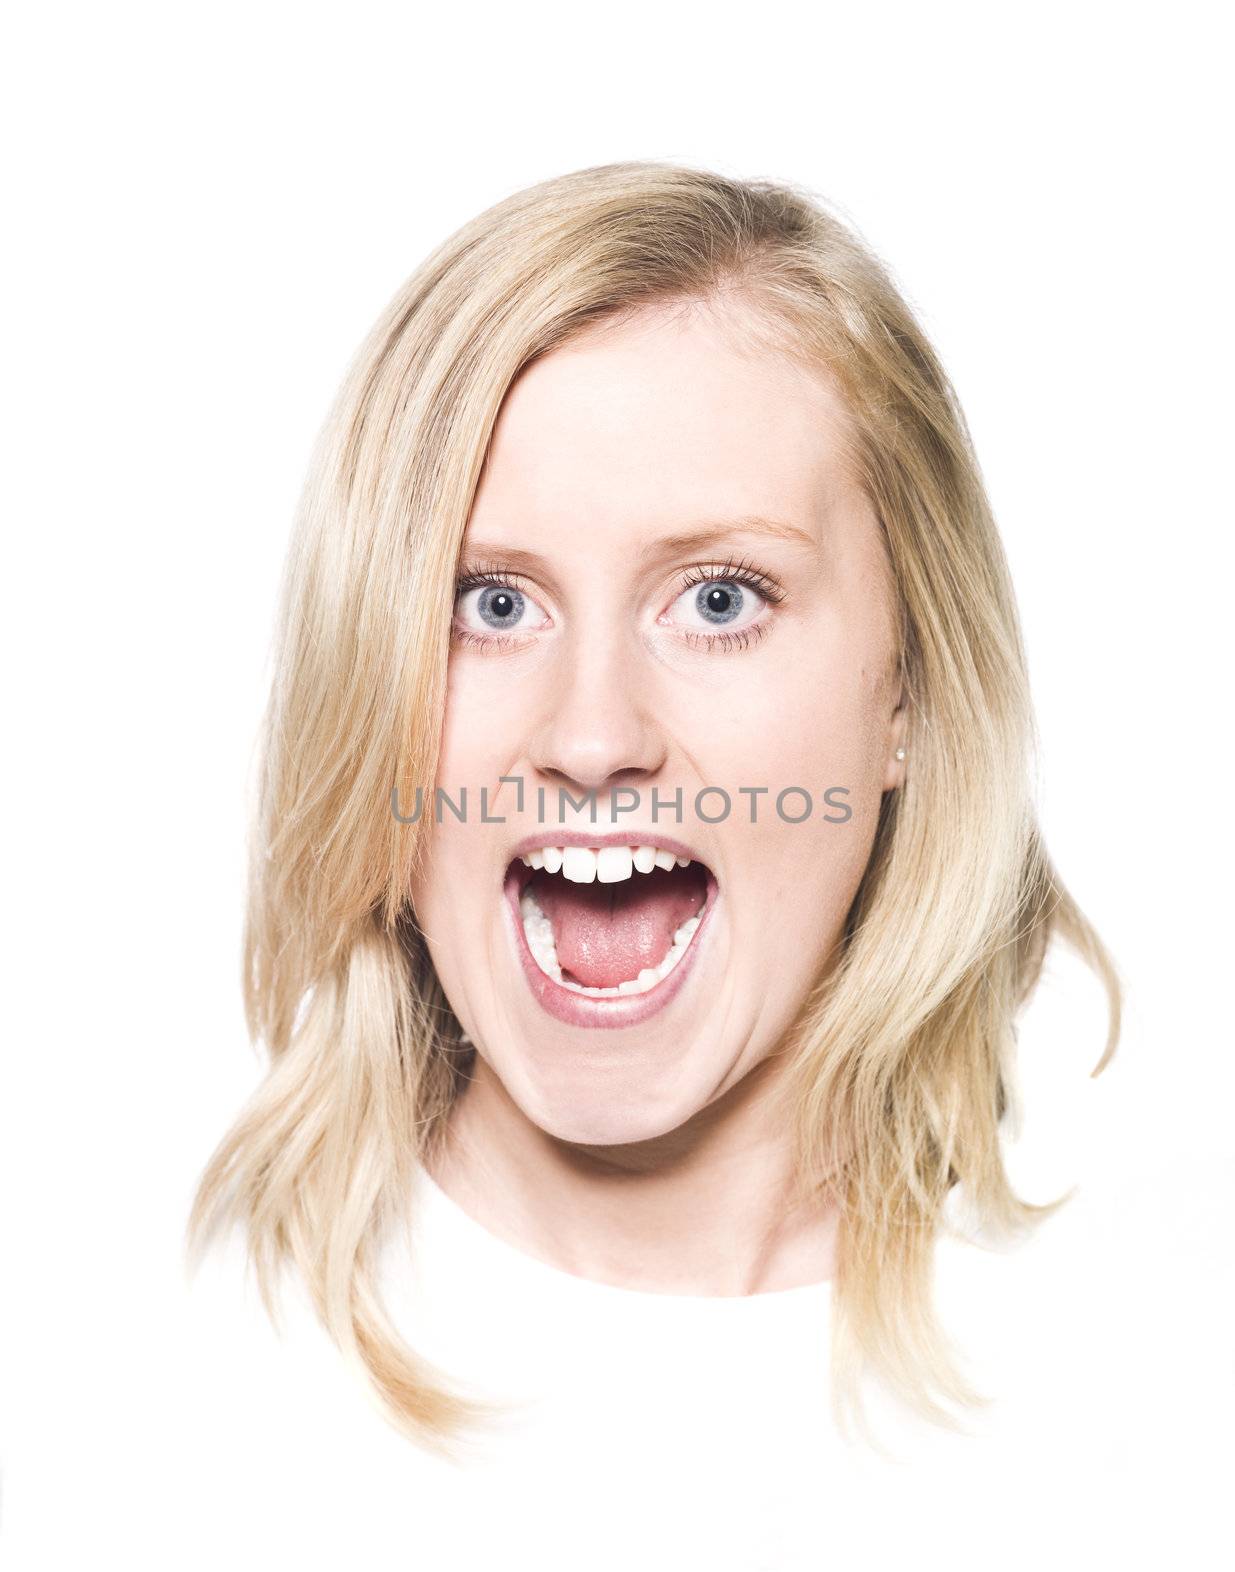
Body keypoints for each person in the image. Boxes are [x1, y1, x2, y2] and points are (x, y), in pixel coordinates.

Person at [186, 160, 1120, 1495]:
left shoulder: (1156, 1387)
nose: (591, 739)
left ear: (906, 686)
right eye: (491, 604)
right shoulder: (150, 1372)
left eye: (722, 600)